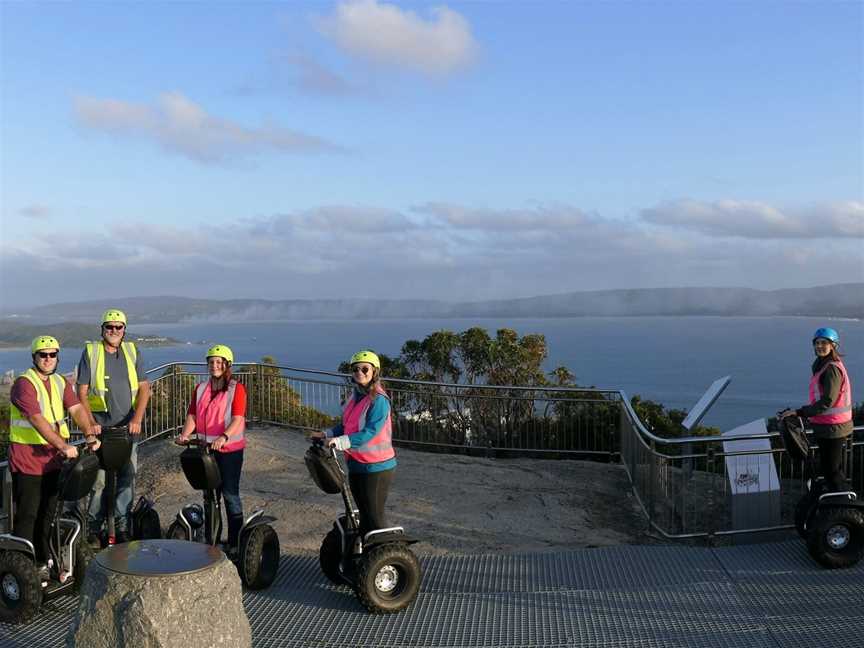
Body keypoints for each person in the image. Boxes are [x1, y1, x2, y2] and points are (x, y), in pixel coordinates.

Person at [9, 336, 99, 566]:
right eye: (43, 354)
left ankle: (43, 560)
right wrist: (63, 445)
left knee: (48, 514)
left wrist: (88, 433)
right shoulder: (24, 384)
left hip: (53, 462)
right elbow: (37, 419)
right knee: (28, 516)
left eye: (52, 354)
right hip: (28, 462)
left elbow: (77, 408)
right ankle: (21, 567)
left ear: (58, 357)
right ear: (34, 357)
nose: (48, 359)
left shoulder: (60, 382)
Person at [76, 309, 150, 545]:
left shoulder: (132, 351)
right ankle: (94, 527)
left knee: (128, 477)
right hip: (102, 430)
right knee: (98, 482)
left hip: (128, 429)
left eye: (119, 327)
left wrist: (137, 419)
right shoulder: (91, 352)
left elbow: (145, 388)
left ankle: (122, 524)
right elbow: (82, 392)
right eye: (110, 327)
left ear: (124, 330)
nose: (114, 331)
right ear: (102, 329)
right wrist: (90, 423)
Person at [311, 350, 396, 537]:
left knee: (374, 516)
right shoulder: (355, 397)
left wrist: (340, 442)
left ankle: (384, 557)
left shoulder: (379, 401)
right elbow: (346, 425)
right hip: (356, 463)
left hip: (377, 467)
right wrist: (325, 434)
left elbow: (370, 433)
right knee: (363, 513)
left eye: (365, 368)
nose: (360, 372)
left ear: (375, 372)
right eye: (355, 369)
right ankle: (366, 556)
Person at [176, 344, 247, 551]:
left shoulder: (236, 389)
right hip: (206, 450)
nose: (214, 365)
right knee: (209, 495)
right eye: (211, 362)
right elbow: (193, 416)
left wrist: (224, 437)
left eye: (219, 362)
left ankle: (235, 543)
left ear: (227, 365)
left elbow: (237, 419)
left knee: (229, 495)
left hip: (230, 451)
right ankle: (213, 540)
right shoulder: (200, 389)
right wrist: (185, 434)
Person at [780, 327, 854, 492]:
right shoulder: (823, 365)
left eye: (824, 343)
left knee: (832, 471)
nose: (820, 346)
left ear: (833, 345)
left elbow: (828, 401)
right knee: (830, 469)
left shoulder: (831, 369)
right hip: (827, 426)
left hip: (834, 428)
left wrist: (800, 412)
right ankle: (837, 502)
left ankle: (843, 509)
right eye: (817, 343)